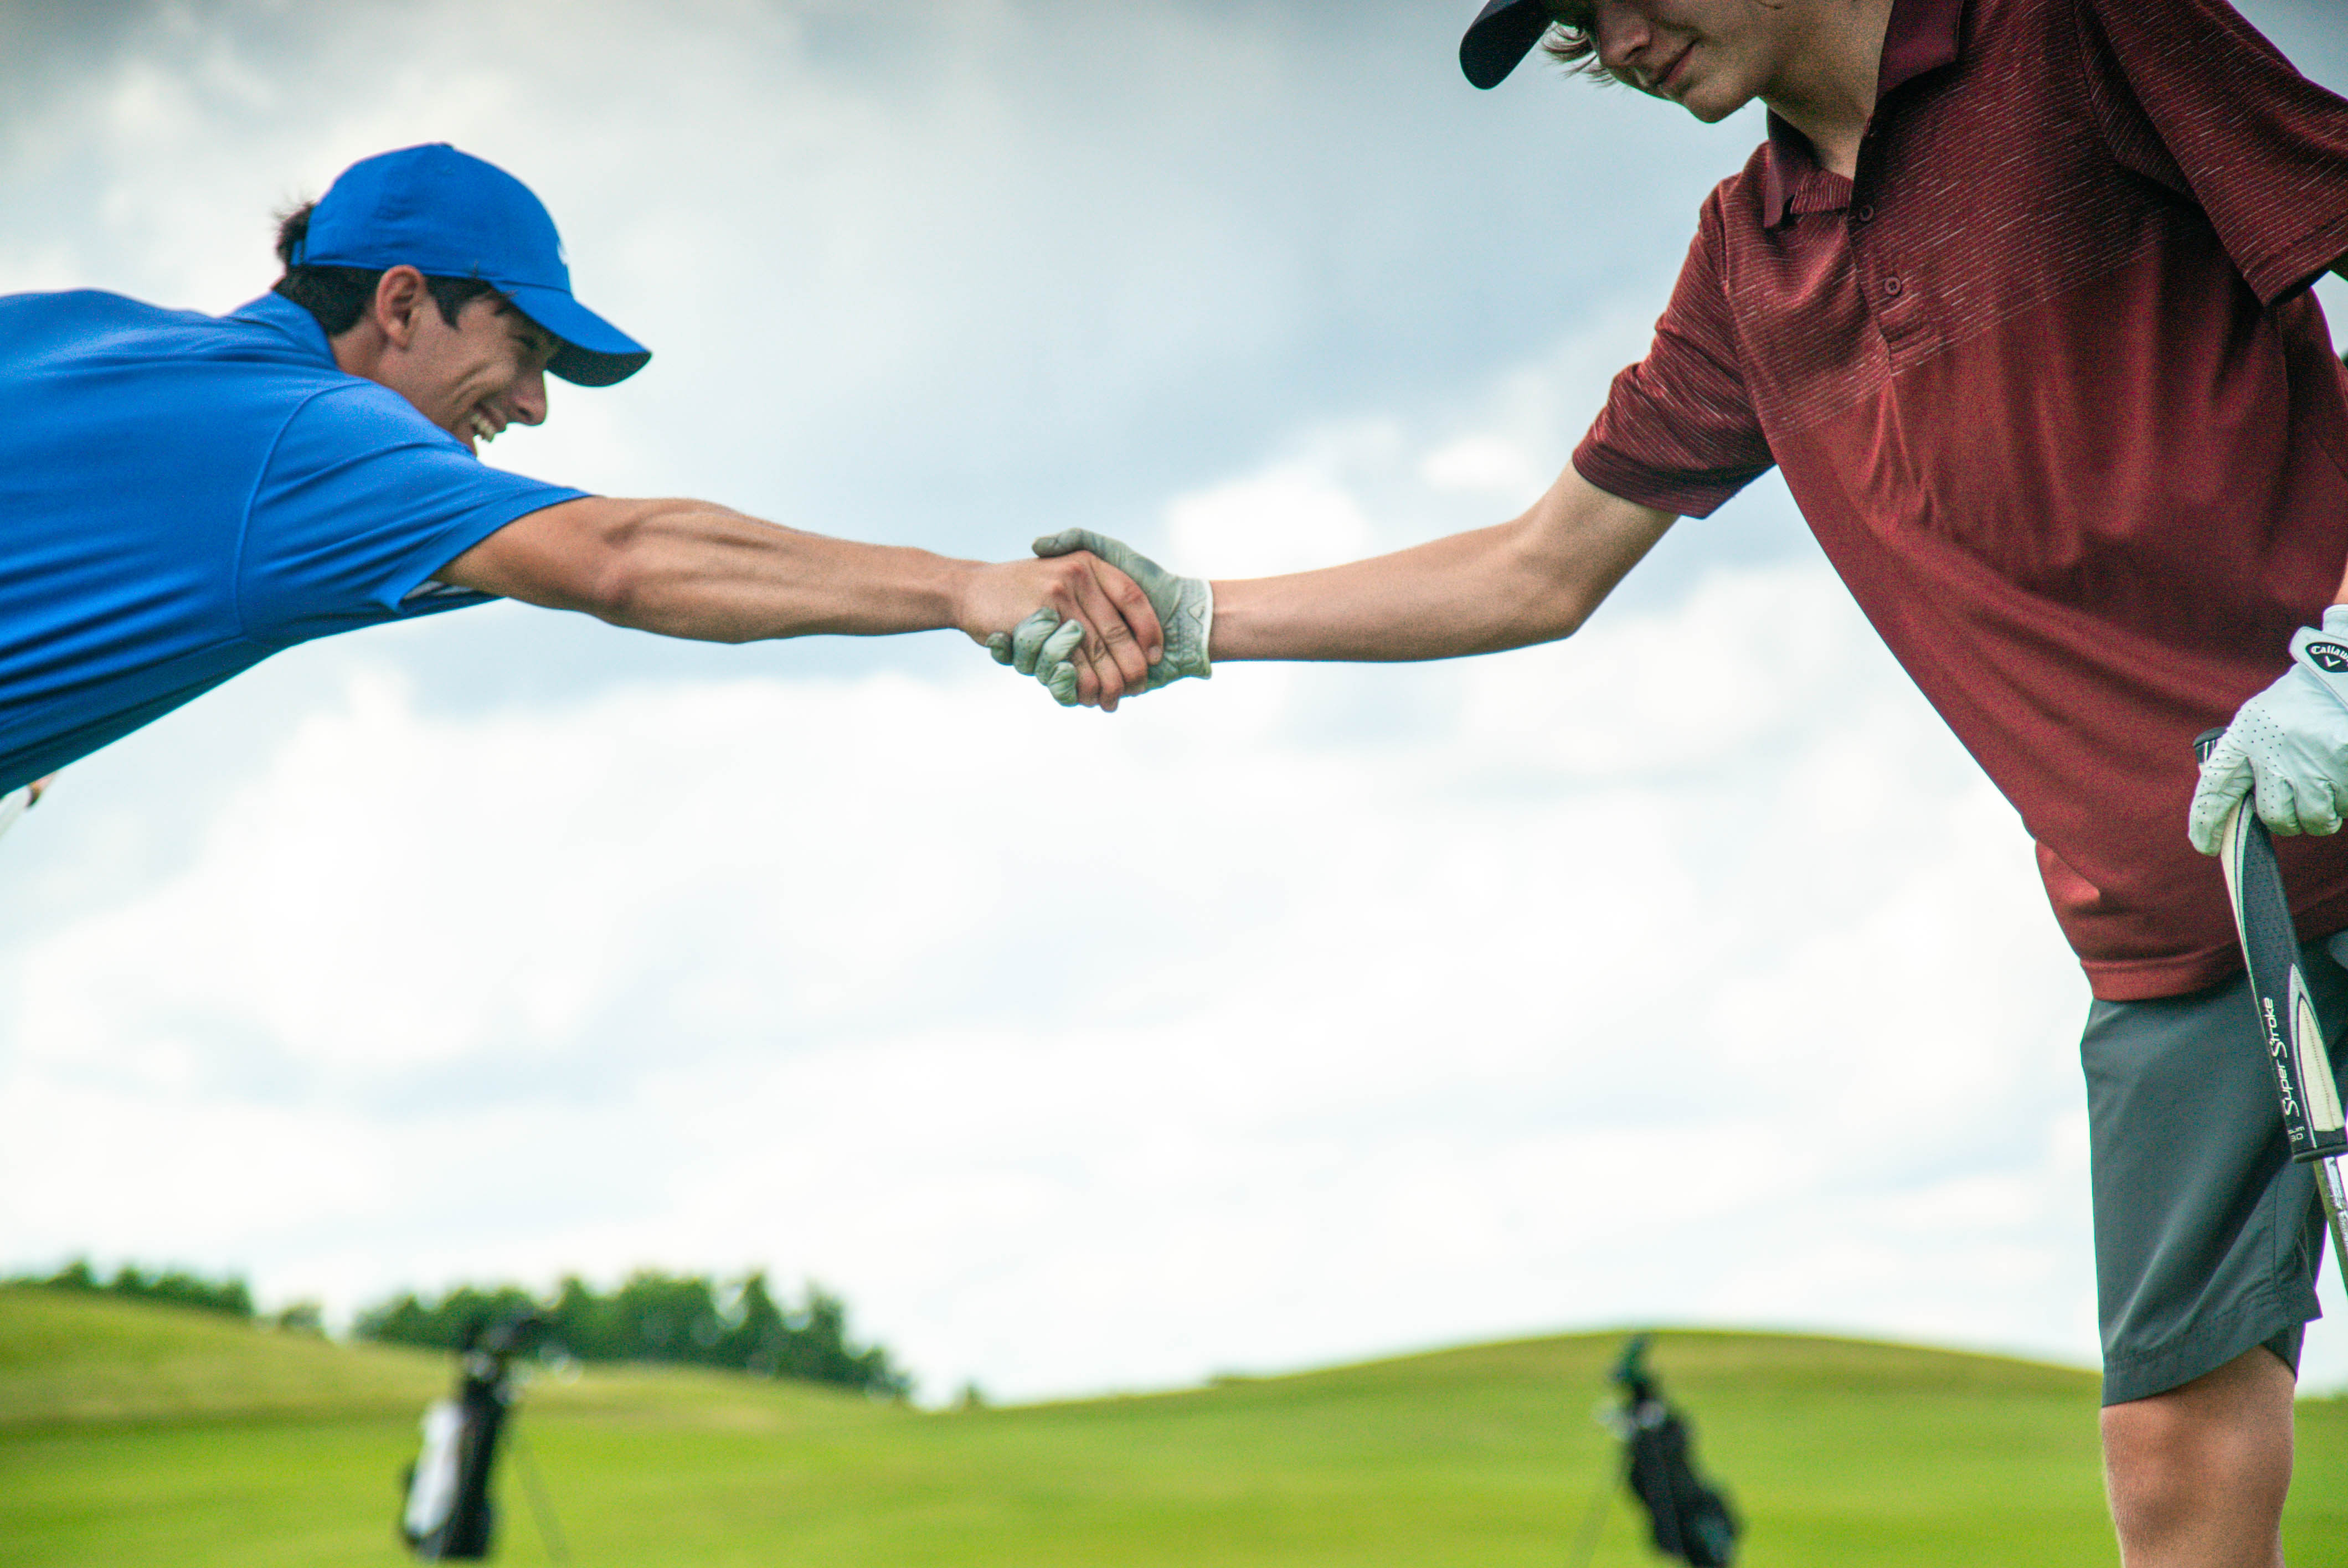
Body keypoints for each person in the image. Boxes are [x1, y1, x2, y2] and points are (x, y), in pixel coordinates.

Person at [1011, 2, 2348, 1562]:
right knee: (2172, 1468)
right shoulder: (1749, 267)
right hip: (2173, 944)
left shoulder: (2070, 32)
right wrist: (1193, 625)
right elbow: (1538, 569)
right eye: (1578, 26)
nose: (1617, 41)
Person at [0, 142, 1162, 806]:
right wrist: (963, 589)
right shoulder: (318, 437)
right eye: (522, 352)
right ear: (402, 303)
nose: (531, 405)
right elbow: (617, 559)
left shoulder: (75, 330)